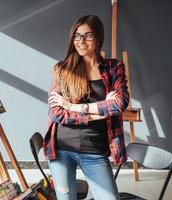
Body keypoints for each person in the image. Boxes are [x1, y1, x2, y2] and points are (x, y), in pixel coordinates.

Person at [43, 15, 129, 200]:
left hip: (95, 150)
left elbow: (119, 104)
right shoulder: (61, 69)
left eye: (88, 36)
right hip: (62, 149)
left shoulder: (114, 68)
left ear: (98, 38)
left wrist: (72, 106)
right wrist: (99, 113)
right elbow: (57, 113)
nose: (81, 41)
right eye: (77, 36)